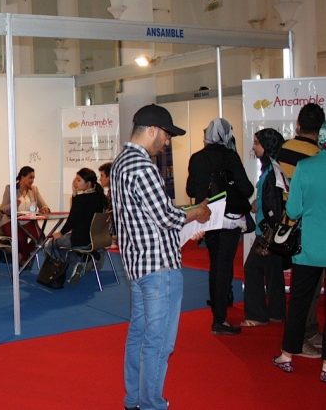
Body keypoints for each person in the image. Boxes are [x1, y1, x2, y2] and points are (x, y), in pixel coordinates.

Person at [111, 104, 211, 410]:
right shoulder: (143, 166)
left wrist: (185, 220)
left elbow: (150, 216)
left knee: (139, 336)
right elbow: (167, 216)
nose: (167, 142)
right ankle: (151, 404)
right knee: (158, 342)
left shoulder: (119, 163)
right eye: (166, 135)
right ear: (152, 130)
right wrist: (198, 213)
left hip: (138, 265)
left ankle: (134, 399)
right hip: (159, 269)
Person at [186, 117, 254, 336]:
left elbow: (190, 190)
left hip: (206, 217)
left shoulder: (197, 158)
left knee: (215, 263)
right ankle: (219, 318)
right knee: (223, 265)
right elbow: (247, 188)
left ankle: (219, 302)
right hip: (229, 217)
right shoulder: (230, 156)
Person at [272, 122, 326, 381]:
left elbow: (293, 211)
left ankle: (287, 355)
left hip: (309, 248)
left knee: (299, 302)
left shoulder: (305, 167)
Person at [242, 128, 287, 328]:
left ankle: (257, 315)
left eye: (256, 143)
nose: (253, 147)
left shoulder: (271, 172)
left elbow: (273, 205)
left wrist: (269, 234)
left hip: (268, 232)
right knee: (274, 271)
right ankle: (276, 312)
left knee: (252, 269)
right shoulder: (273, 169)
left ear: (266, 146)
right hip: (272, 231)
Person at [47, 168, 107, 279]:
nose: (75, 182)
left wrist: (61, 233)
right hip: (97, 239)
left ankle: (78, 264)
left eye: (79, 180)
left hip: (80, 239)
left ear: (88, 183)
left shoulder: (81, 199)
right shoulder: (101, 198)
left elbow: (72, 220)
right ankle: (88, 260)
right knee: (67, 245)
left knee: (50, 245)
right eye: (75, 179)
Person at [0, 166, 51, 265]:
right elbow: (3, 208)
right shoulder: (10, 188)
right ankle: (24, 259)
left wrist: (45, 208)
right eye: (30, 177)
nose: (32, 180)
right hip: (10, 221)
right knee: (21, 239)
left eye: (33, 178)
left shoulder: (34, 190)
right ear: (22, 177)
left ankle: (24, 256)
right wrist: (13, 204)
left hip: (27, 221)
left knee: (41, 239)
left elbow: (43, 205)